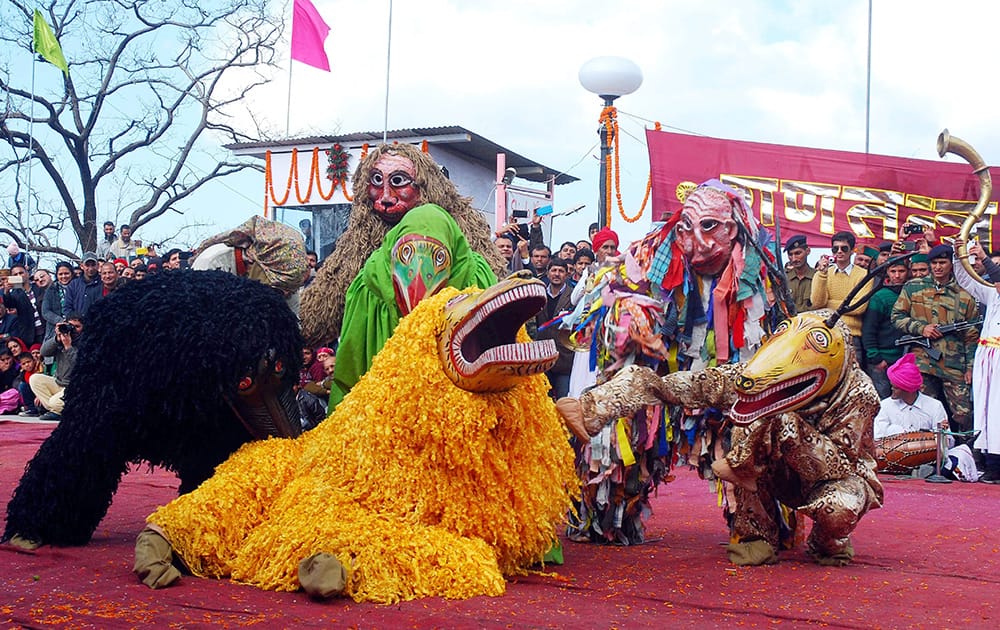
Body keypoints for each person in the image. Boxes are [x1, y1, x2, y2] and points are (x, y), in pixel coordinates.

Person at [891, 244, 978, 432]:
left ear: (951, 264)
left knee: (963, 415)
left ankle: (968, 454)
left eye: (942, 263)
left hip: (954, 364)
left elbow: (971, 336)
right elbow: (897, 317)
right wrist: (922, 329)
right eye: (934, 263)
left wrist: (970, 367)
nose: (938, 267)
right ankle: (927, 454)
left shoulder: (964, 294)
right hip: (922, 361)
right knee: (923, 413)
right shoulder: (913, 287)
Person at [952, 239, 1000, 483]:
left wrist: (985, 257)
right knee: (985, 410)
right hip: (986, 356)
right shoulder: (991, 293)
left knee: (998, 410)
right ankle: (991, 463)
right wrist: (958, 253)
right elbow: (966, 281)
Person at [811, 231, 868, 365]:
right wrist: (822, 274)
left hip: (852, 335)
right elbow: (817, 303)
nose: (839, 252)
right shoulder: (822, 274)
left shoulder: (863, 274)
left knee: (854, 378)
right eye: (835, 248)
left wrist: (828, 305)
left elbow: (859, 307)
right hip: (828, 333)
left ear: (852, 251)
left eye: (844, 248)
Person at [862, 257, 910, 398]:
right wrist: (875, 357)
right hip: (883, 358)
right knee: (882, 398)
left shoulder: (912, 293)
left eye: (901, 271)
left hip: (903, 358)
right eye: (893, 271)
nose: (897, 275)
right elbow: (869, 329)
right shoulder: (880, 297)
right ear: (887, 272)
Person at [30, 315, 83, 421]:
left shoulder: (86, 341)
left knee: (54, 402)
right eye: (70, 325)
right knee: (35, 379)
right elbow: (44, 352)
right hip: (59, 383)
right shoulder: (61, 339)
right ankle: (56, 410)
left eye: (77, 326)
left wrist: (68, 347)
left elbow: (79, 364)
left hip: (75, 386)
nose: (73, 329)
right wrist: (56, 338)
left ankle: (56, 409)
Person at [534, 259, 574, 399]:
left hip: (564, 359)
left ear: (567, 274)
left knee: (564, 401)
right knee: (543, 401)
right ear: (548, 273)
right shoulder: (538, 294)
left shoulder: (574, 296)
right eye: (554, 270)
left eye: (561, 271)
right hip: (542, 358)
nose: (557, 274)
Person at [41, 262, 75, 341]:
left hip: (75, 327)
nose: (64, 276)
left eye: (66, 273)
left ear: (72, 274)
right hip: (55, 329)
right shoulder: (51, 289)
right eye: (60, 274)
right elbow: (45, 311)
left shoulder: (78, 287)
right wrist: (60, 321)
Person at [783, 234, 814, 313]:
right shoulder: (783, 278)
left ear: (808, 251)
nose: (794, 259)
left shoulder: (817, 277)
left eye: (797, 253)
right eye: (790, 254)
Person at [16, 350, 42, 416]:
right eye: (23, 364)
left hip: (41, 394)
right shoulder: (24, 373)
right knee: (22, 385)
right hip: (33, 396)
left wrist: (39, 396)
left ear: (33, 360)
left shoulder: (40, 368)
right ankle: (32, 409)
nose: (27, 365)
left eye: (28, 362)